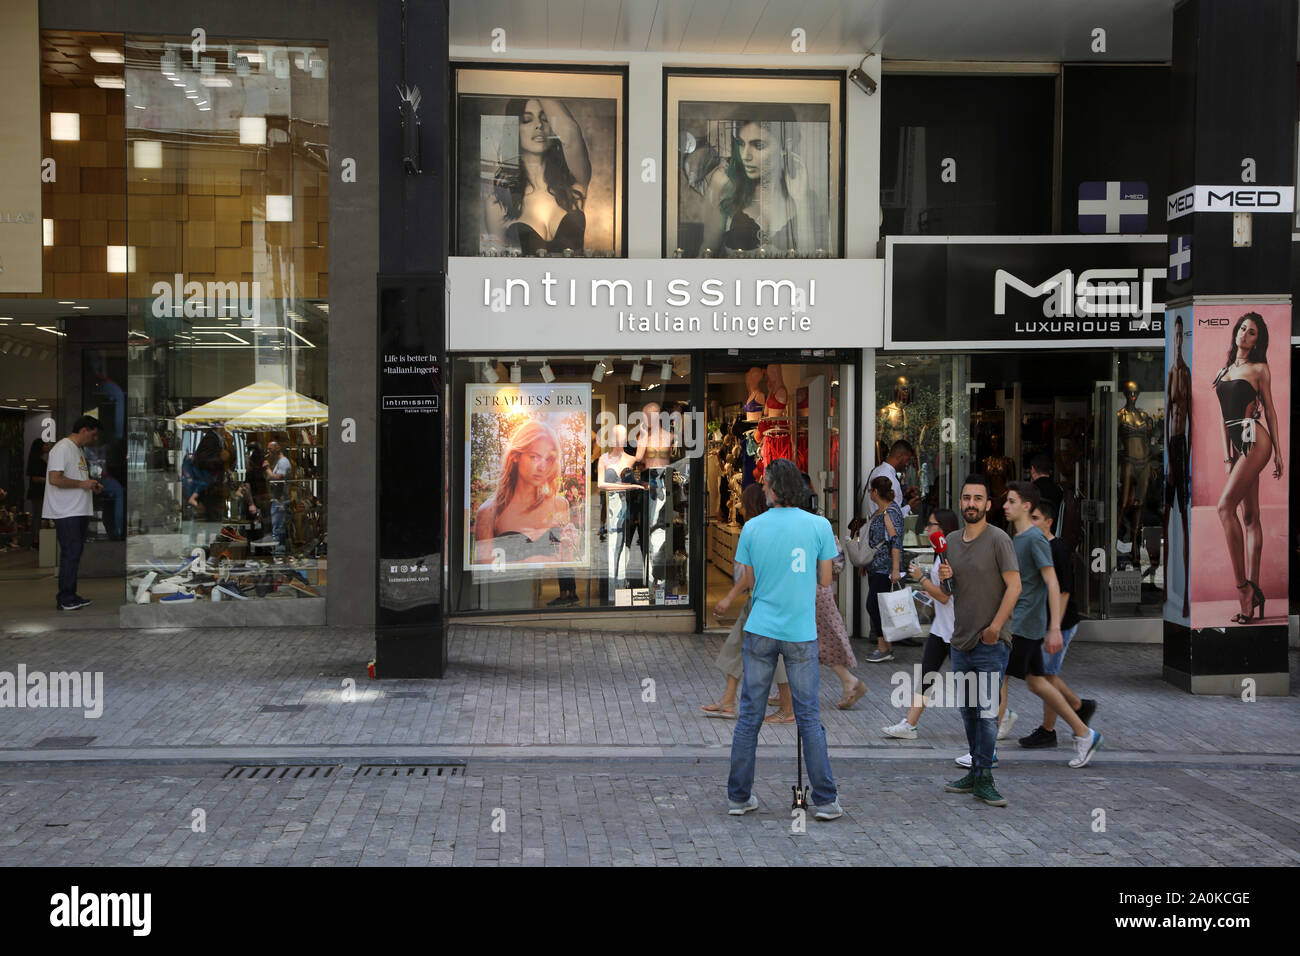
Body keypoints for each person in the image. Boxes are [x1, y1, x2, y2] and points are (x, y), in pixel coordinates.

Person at [715, 458, 842, 820]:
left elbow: (750, 581)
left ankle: (738, 796)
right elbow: (826, 581)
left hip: (761, 628)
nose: (764, 489)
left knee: (750, 715)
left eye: (766, 483)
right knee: (808, 717)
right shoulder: (818, 525)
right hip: (800, 631)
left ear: (773, 487)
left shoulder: (753, 528)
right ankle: (826, 800)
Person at [981, 481, 1102, 770]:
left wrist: (1055, 628)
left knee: (1000, 679)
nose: (1005, 506)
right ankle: (1085, 733)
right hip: (1022, 623)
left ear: (1026, 505)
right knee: (1037, 681)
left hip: (1026, 625)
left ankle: (985, 752)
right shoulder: (1020, 537)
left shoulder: (1034, 539)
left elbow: (1052, 581)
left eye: (1011, 501)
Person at [937, 475, 1019, 807]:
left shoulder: (999, 539)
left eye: (978, 498)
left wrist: (996, 627)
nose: (971, 503)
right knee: (969, 712)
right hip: (961, 641)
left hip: (991, 641)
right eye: (966, 497)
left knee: (986, 712)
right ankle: (975, 770)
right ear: (960, 502)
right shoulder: (951, 541)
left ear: (988, 504)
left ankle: (985, 775)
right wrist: (946, 580)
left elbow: (1015, 588)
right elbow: (948, 594)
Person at [1212, 312, 1284, 623]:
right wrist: (1227, 457)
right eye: (1242, 328)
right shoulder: (1223, 371)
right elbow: (1221, 418)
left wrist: (1279, 453)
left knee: (1224, 507)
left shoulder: (1259, 369)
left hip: (1256, 440)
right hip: (1237, 443)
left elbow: (1269, 410)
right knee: (1249, 516)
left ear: (1257, 341)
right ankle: (1254, 590)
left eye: (1252, 332)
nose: (1244, 334)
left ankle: (1243, 588)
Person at [702, 483, 791, 719]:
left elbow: (750, 575)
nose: (739, 507)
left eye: (742, 502)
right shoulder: (772, 528)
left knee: (776, 655)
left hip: (763, 603)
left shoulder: (756, 529)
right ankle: (728, 701)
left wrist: (729, 597)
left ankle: (787, 709)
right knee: (737, 647)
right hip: (763, 601)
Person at [1017, 501, 1096, 749]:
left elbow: (1063, 591)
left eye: (1037, 518)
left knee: (1044, 676)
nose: (1032, 523)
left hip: (1061, 622)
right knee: (1043, 676)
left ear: (1049, 522)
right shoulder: (1036, 546)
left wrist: (1055, 627)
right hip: (1045, 622)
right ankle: (1078, 706)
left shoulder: (1057, 549)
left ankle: (1050, 729)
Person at [882, 509, 959, 739]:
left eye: (932, 524)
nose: (927, 529)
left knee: (968, 681)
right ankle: (910, 723)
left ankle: (997, 714)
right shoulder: (940, 553)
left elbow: (946, 595)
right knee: (927, 674)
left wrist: (921, 578)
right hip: (940, 627)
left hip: (956, 630)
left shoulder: (948, 554)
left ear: (943, 528)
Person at [699, 117, 826, 256]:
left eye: (758, 146)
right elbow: (706, 252)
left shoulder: (803, 195)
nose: (745, 156)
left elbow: (812, 260)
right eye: (741, 144)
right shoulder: (726, 186)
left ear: (785, 147)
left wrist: (801, 201)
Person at [485, 97, 591, 256]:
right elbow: (494, 267)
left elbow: (570, 132)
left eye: (545, 119)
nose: (539, 125)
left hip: (577, 281)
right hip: (518, 282)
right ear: (513, 130)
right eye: (527, 120)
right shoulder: (498, 201)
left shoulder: (574, 184)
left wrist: (537, 82)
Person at [474, 419, 577, 568]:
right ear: (516, 456)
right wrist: (532, 562)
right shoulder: (489, 512)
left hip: (552, 591)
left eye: (548, 459)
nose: (542, 467)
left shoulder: (560, 505)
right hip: (507, 591)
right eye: (534, 457)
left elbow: (567, 568)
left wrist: (569, 548)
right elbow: (486, 577)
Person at [44, 416, 103, 611]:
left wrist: (90, 484)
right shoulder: (62, 448)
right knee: (70, 553)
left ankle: (70, 594)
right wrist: (82, 484)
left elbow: (74, 478)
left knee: (74, 553)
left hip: (77, 510)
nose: (94, 439)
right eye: (93, 434)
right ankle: (65, 598)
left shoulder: (77, 449)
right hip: (66, 511)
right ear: (84, 430)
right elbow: (55, 479)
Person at [1164, 313, 1192, 618]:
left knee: (1184, 522)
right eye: (1176, 334)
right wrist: (1171, 464)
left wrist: (1186, 461)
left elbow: (1192, 420)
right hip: (1173, 449)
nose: (1179, 339)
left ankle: (1184, 597)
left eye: (1182, 335)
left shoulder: (1188, 374)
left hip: (1183, 447)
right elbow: (1170, 415)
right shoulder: (1172, 373)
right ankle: (1169, 593)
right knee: (1168, 518)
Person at [863, 476, 905, 663]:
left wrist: (895, 569)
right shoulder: (882, 511)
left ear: (875, 492)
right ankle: (886, 646)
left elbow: (895, 540)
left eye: (871, 490)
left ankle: (883, 646)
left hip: (885, 567)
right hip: (876, 566)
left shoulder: (890, 512)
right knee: (879, 606)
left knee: (874, 605)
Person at [597, 424, 639, 593]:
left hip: (626, 508)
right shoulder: (603, 459)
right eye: (615, 436)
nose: (618, 440)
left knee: (624, 546)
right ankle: (611, 589)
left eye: (622, 437)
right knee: (611, 545)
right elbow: (601, 484)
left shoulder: (631, 459)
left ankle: (621, 586)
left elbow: (636, 482)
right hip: (610, 508)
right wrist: (628, 488)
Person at [264, 440, 293, 557]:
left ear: (277, 448)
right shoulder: (279, 462)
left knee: (278, 529)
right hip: (277, 501)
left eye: (270, 449)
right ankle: (280, 553)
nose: (268, 452)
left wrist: (267, 469)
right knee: (278, 528)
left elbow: (278, 478)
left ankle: (279, 555)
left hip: (279, 501)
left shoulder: (283, 462)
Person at [25, 439, 49, 550]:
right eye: (45, 445)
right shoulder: (37, 461)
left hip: (38, 492)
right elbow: (35, 479)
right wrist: (48, 480)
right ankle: (36, 540)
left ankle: (36, 540)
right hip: (37, 492)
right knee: (37, 516)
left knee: (37, 516)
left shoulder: (37, 460)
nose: (47, 446)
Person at [1028, 453, 1063, 531]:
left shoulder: (1029, 490)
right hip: (1052, 535)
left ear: (1033, 469)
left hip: (1033, 536)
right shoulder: (1059, 490)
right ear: (1049, 471)